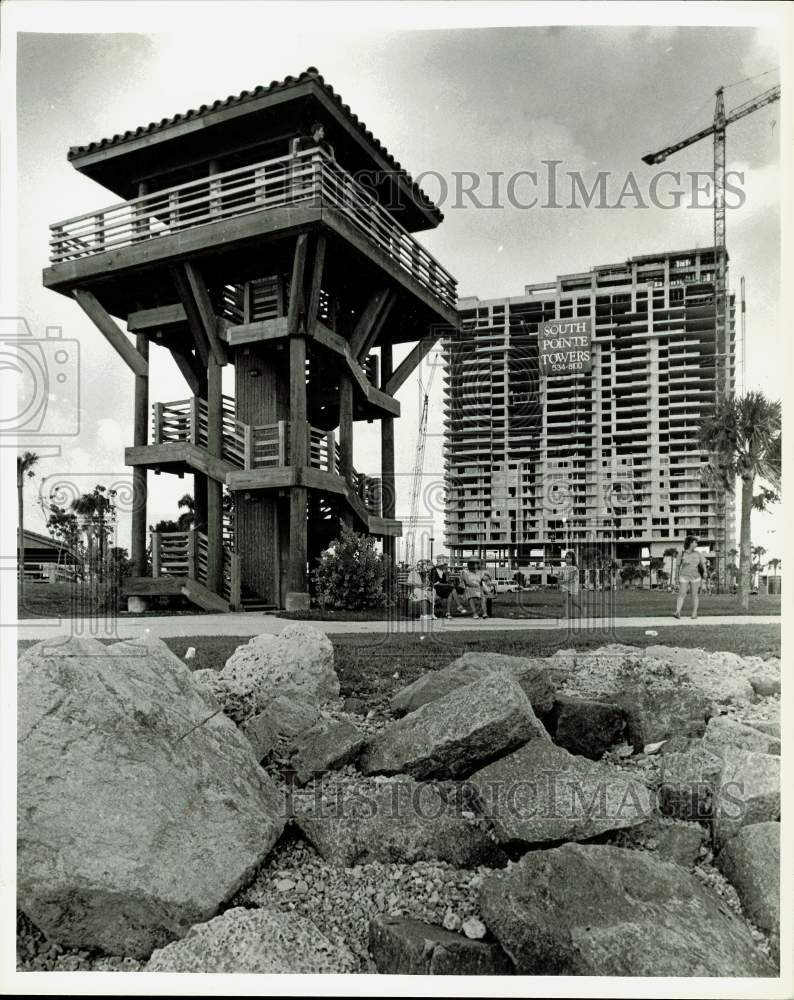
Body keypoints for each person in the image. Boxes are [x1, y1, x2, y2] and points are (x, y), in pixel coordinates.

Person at [675, 535, 706, 619]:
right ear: (690, 543)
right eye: (695, 542)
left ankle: (694, 613)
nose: (696, 544)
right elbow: (677, 566)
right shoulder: (681, 553)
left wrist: (705, 572)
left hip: (695, 577)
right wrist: (676, 577)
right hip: (684, 576)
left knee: (694, 595)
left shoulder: (698, 553)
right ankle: (677, 612)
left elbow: (703, 564)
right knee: (681, 594)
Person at [559, 550, 581, 619]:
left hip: (573, 585)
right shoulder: (564, 568)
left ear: (573, 559)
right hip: (565, 585)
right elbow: (561, 576)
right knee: (564, 600)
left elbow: (571, 579)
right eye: (567, 557)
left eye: (569, 558)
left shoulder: (574, 568)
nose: (567, 559)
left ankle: (582, 609)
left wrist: (562, 582)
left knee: (574, 601)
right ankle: (566, 615)